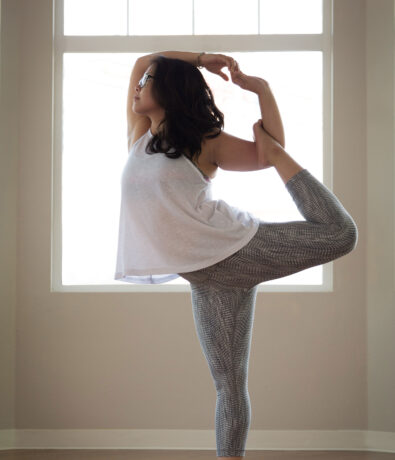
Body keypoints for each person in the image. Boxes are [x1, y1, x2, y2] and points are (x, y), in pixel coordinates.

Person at [114, 51, 358, 459]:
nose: (139, 86)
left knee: (340, 233)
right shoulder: (140, 135)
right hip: (206, 277)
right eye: (140, 83)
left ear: (171, 88)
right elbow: (143, 59)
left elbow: (265, 151)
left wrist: (261, 91)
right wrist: (202, 57)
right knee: (228, 384)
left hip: (238, 248)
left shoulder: (203, 142)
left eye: (149, 81)